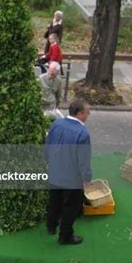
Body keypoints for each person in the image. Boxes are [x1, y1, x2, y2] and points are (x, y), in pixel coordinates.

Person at [45, 99, 92, 245]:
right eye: (87, 112)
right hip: (71, 177)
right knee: (71, 206)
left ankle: (51, 226)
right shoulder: (82, 133)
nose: (89, 114)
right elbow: (83, 160)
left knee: (54, 200)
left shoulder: (57, 123)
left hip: (54, 171)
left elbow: (47, 145)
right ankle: (65, 236)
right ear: (79, 114)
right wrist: (87, 178)